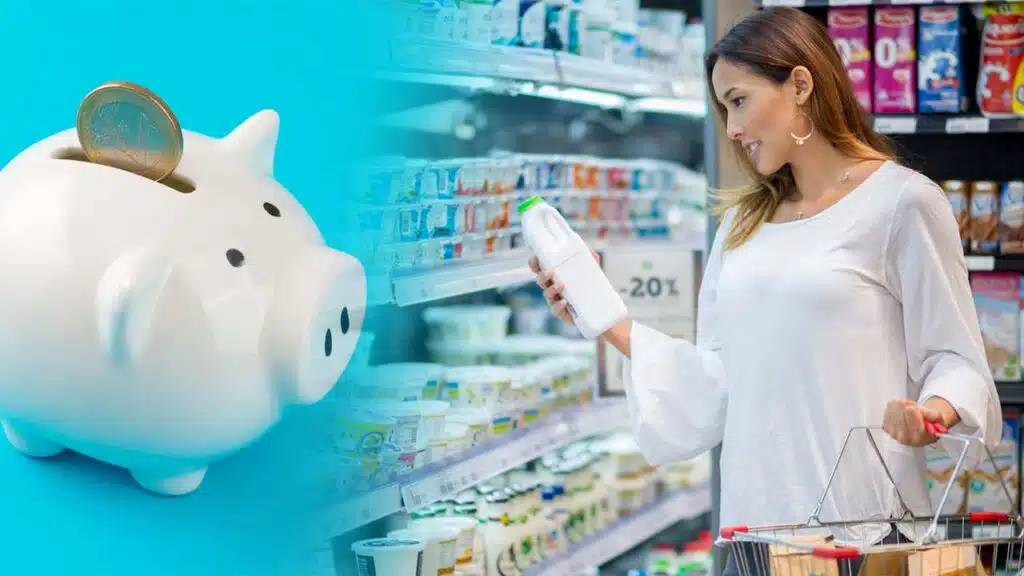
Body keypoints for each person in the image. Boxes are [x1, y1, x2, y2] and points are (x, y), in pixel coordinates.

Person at [529, 6, 1001, 575]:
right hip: (753, 537)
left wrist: (933, 412)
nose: (731, 128)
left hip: (861, 538)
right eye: (723, 108)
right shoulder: (742, 225)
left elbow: (956, 356)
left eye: (739, 100)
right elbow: (717, 382)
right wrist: (606, 320)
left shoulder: (902, 203)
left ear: (800, 84)